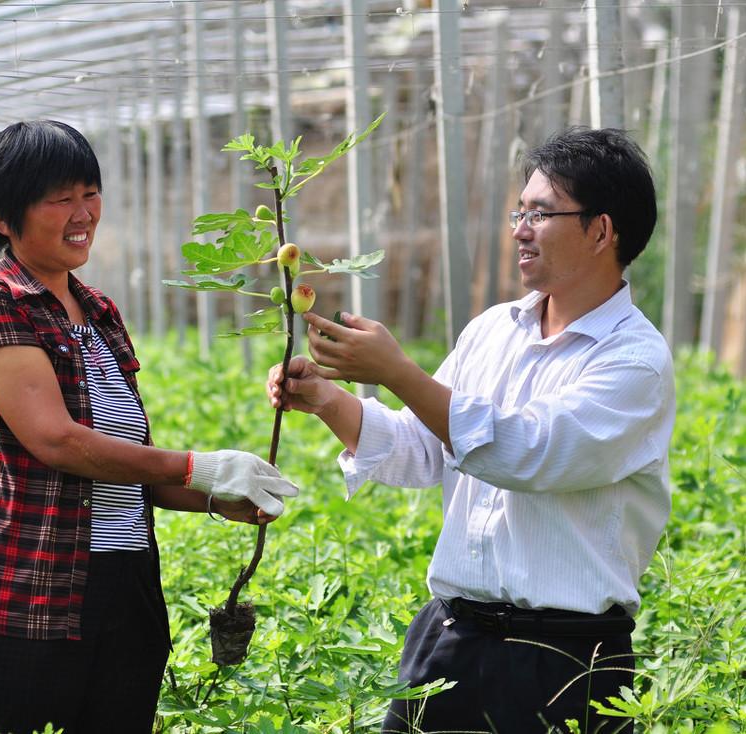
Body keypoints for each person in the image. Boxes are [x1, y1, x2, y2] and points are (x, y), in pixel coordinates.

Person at [266, 127, 675, 733]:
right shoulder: (492, 331)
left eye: (540, 213)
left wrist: (399, 372)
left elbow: (529, 452)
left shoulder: (633, 361)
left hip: (563, 658)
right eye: (519, 211)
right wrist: (327, 399)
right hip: (450, 639)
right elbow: (422, 450)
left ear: (600, 231)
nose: (519, 229)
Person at [0, 120, 298, 734]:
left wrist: (216, 496)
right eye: (60, 199)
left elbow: (128, 464)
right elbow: (56, 441)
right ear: (3, 217)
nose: (83, 213)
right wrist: (199, 464)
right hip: (31, 593)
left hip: (125, 590)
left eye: (90, 192)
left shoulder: (100, 311)